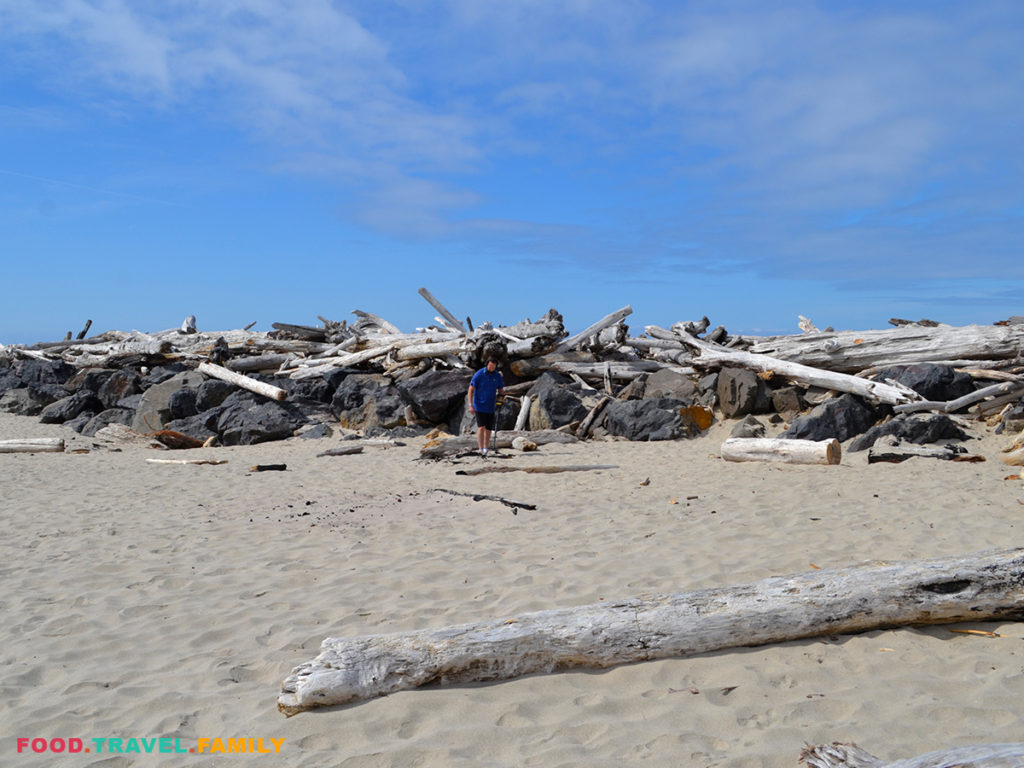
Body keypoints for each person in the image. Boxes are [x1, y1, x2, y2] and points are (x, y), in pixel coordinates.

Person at [467, 358, 505, 455]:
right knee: (481, 427)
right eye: (490, 366)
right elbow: (471, 389)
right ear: (487, 365)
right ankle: (480, 448)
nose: (491, 368)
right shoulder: (479, 374)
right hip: (479, 405)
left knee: (488, 429)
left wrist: (501, 400)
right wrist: (470, 405)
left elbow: (501, 390)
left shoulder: (497, 376)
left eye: (493, 366)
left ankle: (486, 447)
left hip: (490, 406)